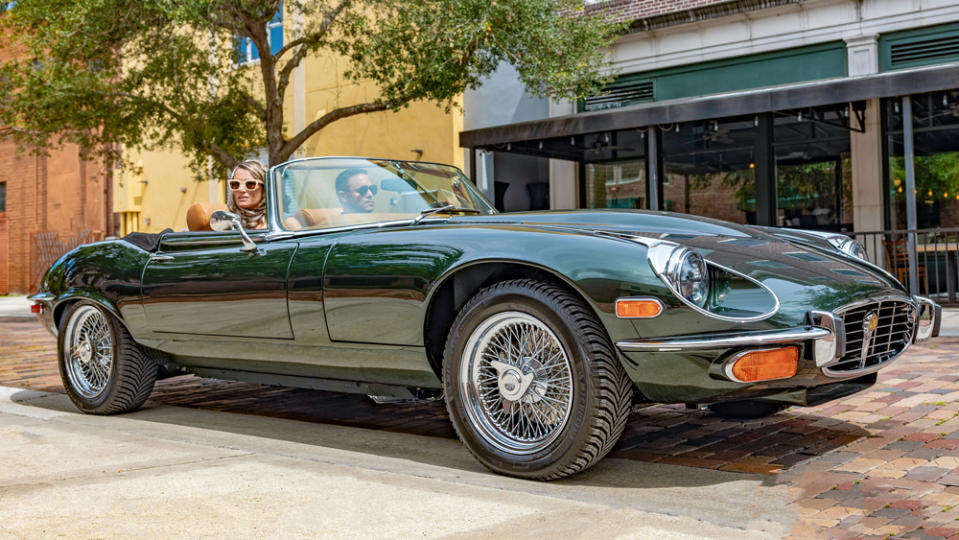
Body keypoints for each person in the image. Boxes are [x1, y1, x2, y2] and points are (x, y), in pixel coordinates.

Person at [227, 160, 268, 229]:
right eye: (235, 184)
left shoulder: (280, 223)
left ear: (264, 188)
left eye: (250, 184)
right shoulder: (226, 222)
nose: (241, 189)